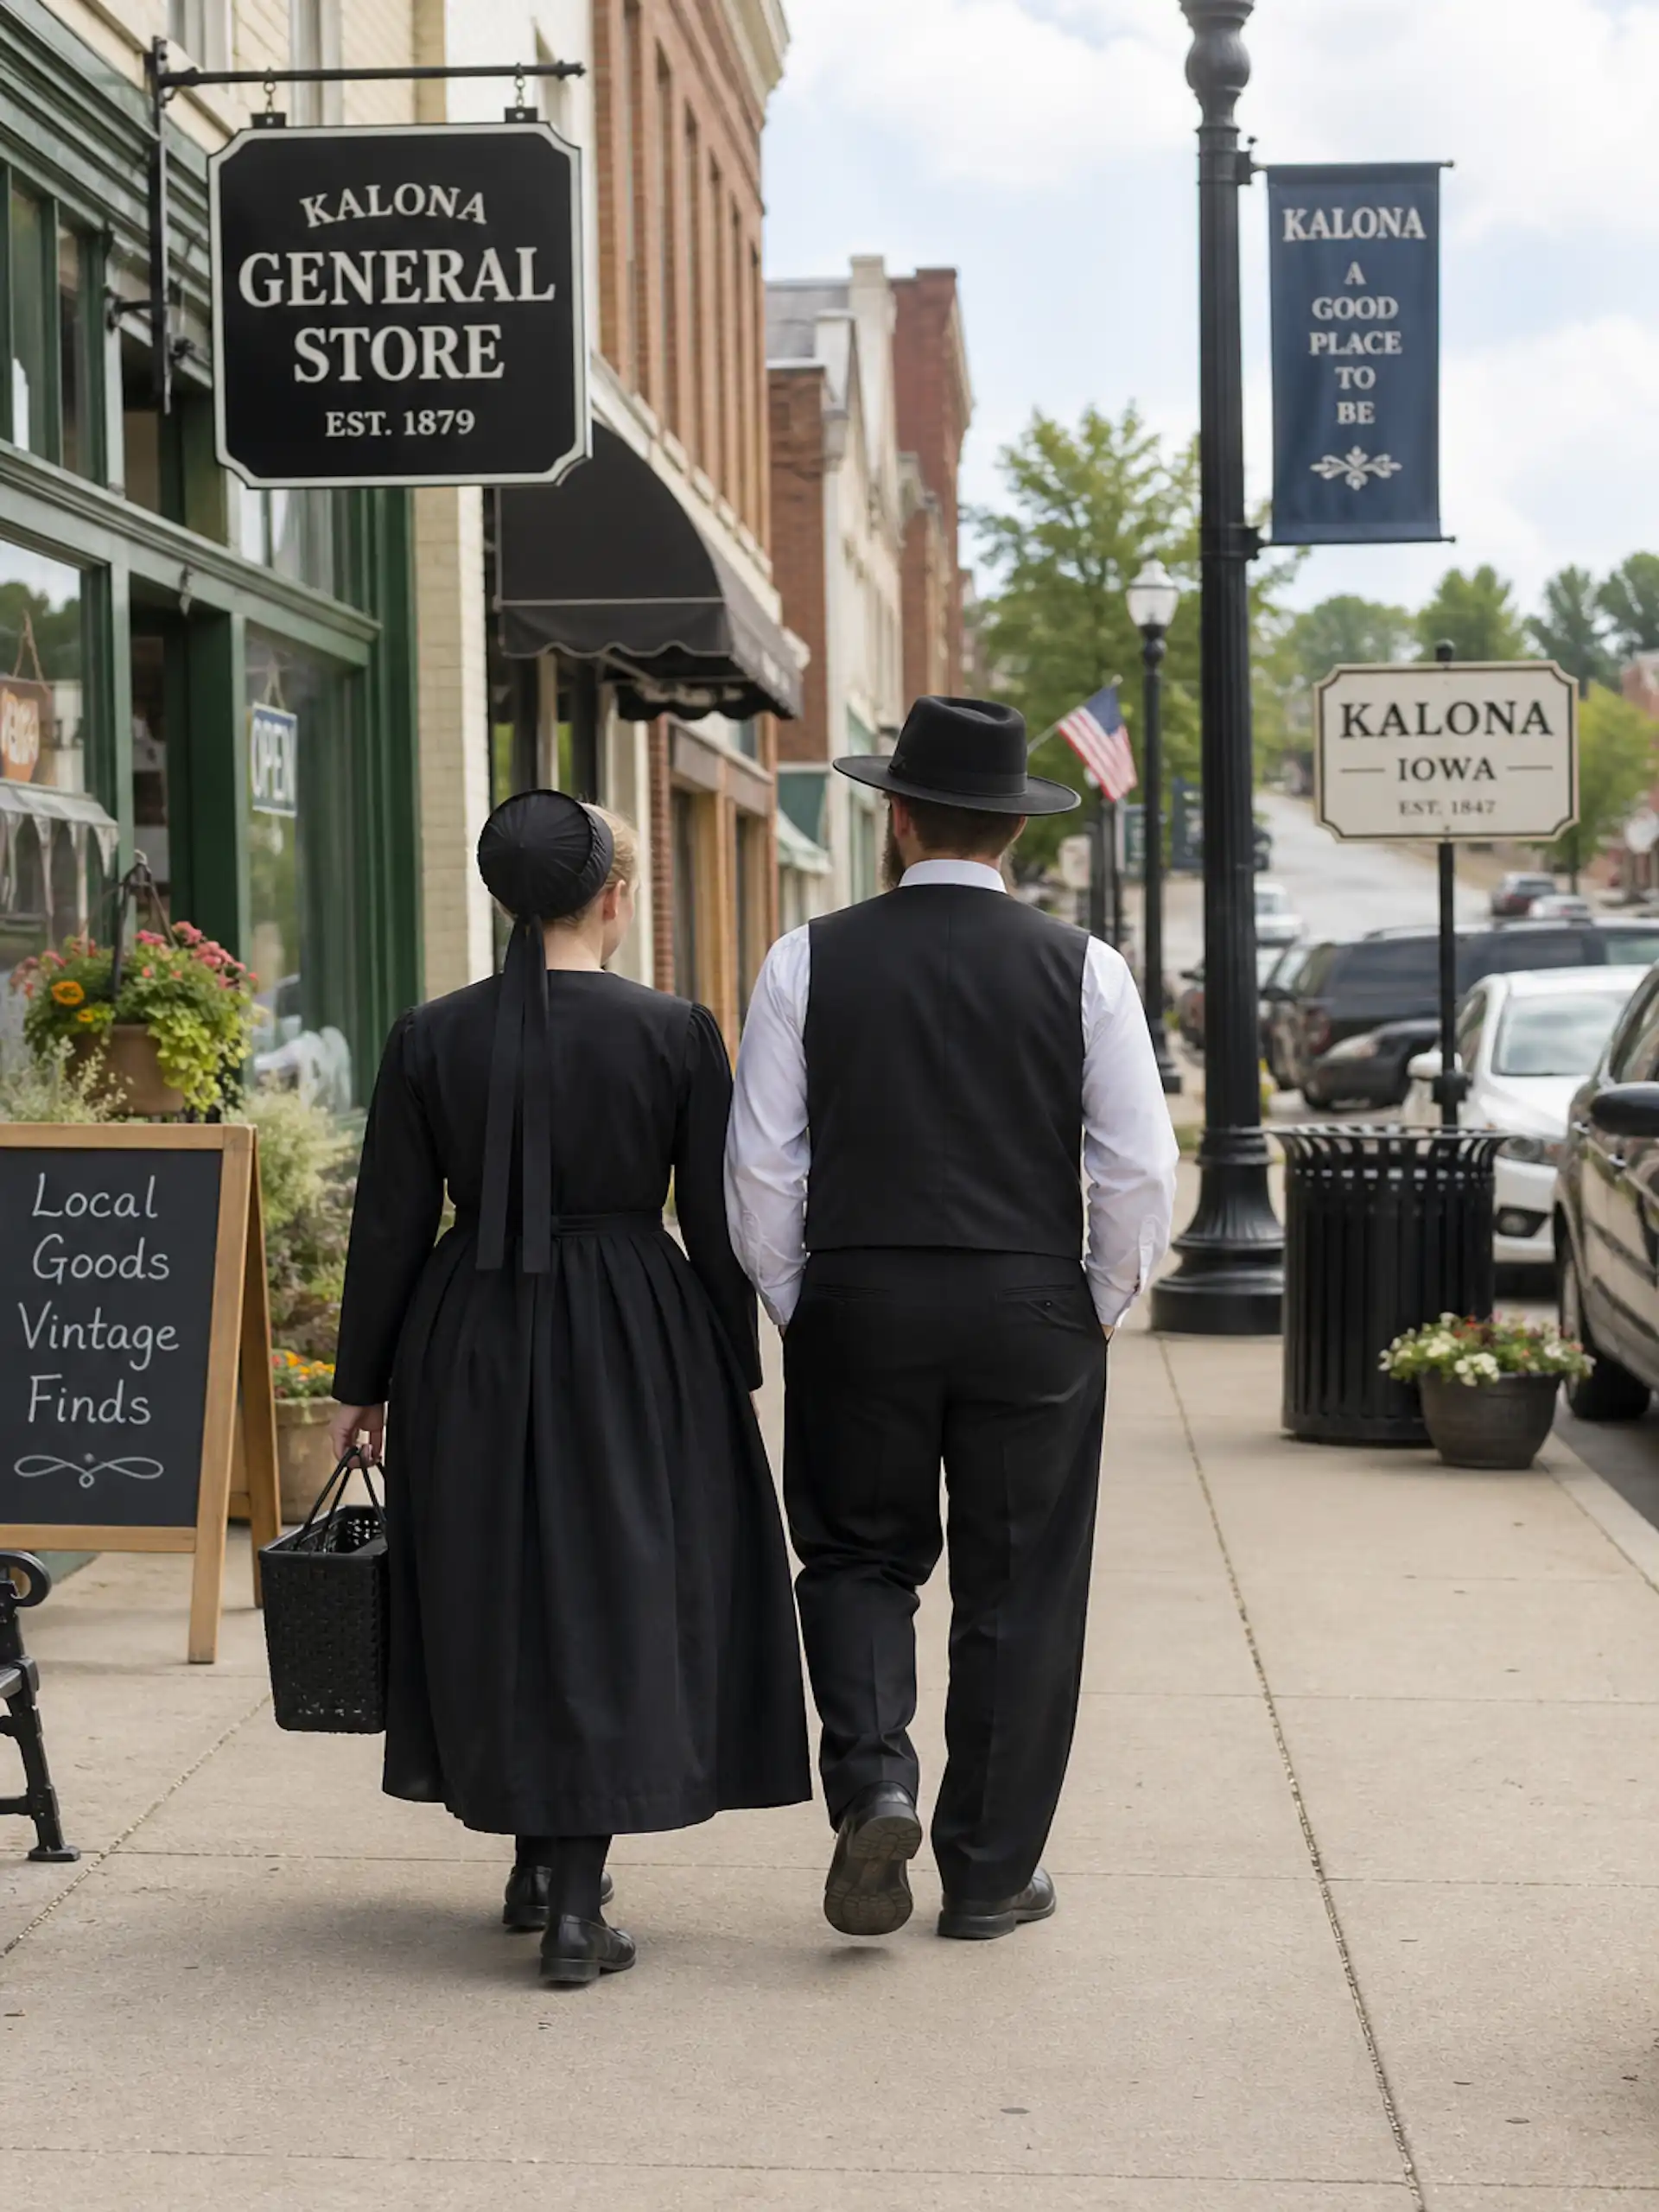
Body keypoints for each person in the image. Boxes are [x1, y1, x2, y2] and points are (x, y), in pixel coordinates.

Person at [329, 791, 810, 1990]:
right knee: (608, 1587)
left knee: (503, 1579)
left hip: (469, 1333)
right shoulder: (674, 1031)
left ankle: (544, 1865)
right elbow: (715, 1217)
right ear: (615, 896)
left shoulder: (429, 1035)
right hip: (635, 1329)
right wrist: (732, 1367)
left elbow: (387, 1227)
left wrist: (361, 1384)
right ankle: (576, 1907)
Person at [726, 696, 1178, 1943]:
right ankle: (987, 1875)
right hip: (1030, 1298)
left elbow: (762, 1169)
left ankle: (875, 1776)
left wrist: (799, 1299)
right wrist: (1094, 1304)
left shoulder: (804, 956)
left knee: (859, 1555)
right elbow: (1139, 1171)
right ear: (1013, 837)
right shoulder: (1083, 968)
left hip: (859, 1295)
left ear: (899, 816)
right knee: (1022, 1586)